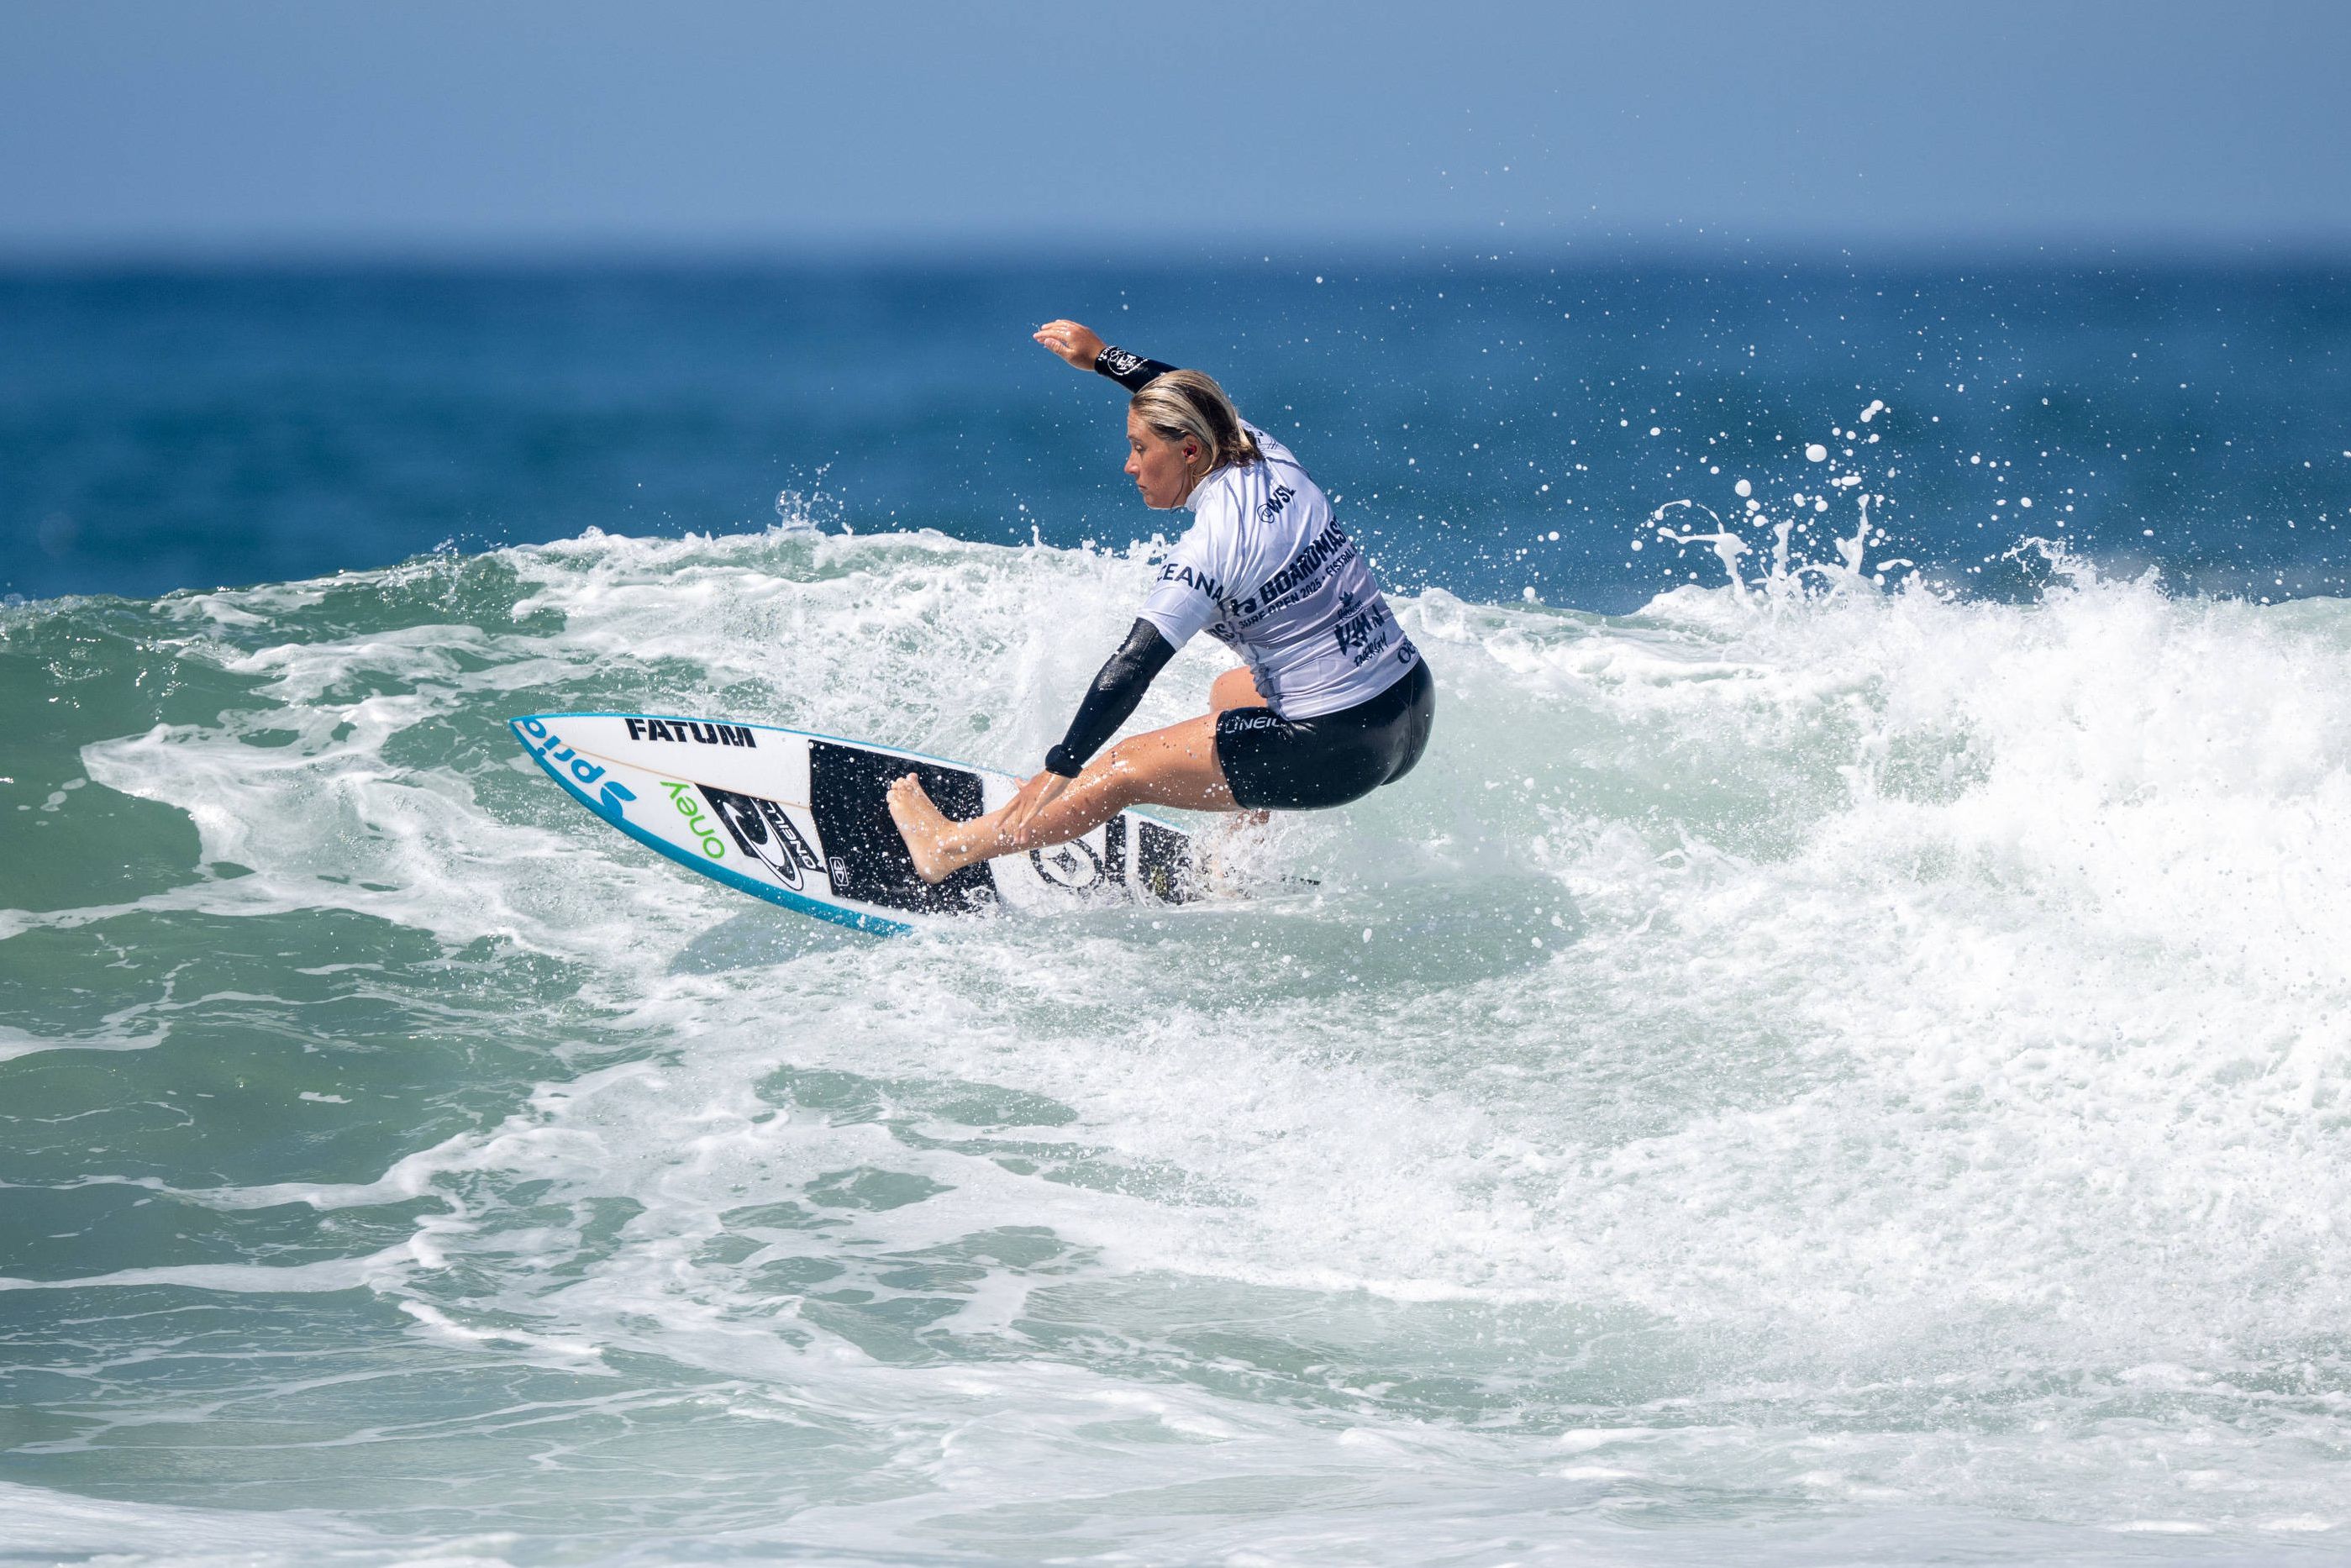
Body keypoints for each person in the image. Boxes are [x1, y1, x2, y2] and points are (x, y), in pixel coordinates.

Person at [886, 319, 1434, 884]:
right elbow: (1192, 394)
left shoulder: (1211, 550)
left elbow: (1130, 668)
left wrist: (1061, 766)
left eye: (1139, 448)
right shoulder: (1263, 452)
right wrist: (1102, 357)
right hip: (1410, 704)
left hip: (1341, 753)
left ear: (1190, 450)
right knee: (1230, 693)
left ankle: (948, 847)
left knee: (1125, 768)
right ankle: (1236, 861)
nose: (1130, 466)